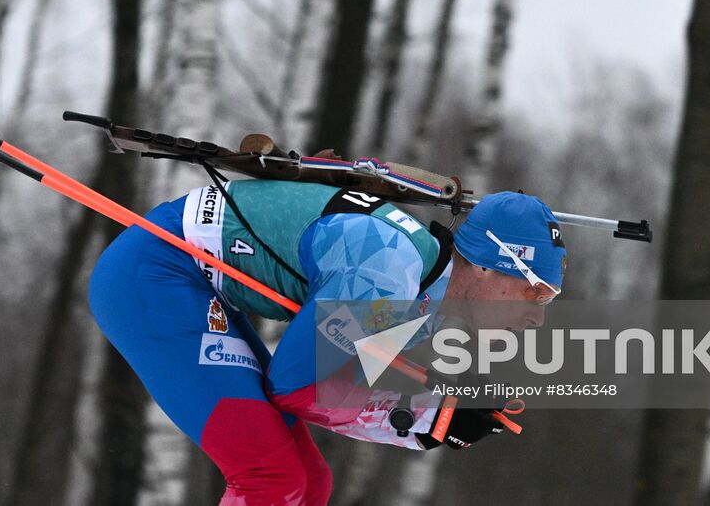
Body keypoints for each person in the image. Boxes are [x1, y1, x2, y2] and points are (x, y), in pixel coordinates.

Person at [89, 181, 567, 505]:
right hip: (155, 275)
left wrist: (438, 408)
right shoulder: (385, 268)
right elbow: (302, 388)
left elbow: (361, 374)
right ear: (483, 265)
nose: (537, 314)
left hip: (193, 281)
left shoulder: (422, 295)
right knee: (271, 478)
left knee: (310, 484)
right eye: (533, 290)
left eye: (550, 297)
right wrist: (429, 414)